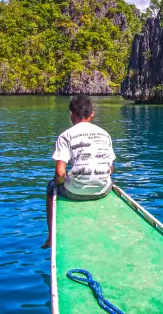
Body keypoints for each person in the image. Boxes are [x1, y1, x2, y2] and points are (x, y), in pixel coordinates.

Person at [42, 95, 116, 249]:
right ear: (92, 114)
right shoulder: (105, 134)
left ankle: (51, 236)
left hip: (76, 192)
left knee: (51, 187)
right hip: (103, 190)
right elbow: (110, 169)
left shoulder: (66, 136)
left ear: (71, 114)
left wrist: (61, 184)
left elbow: (60, 172)